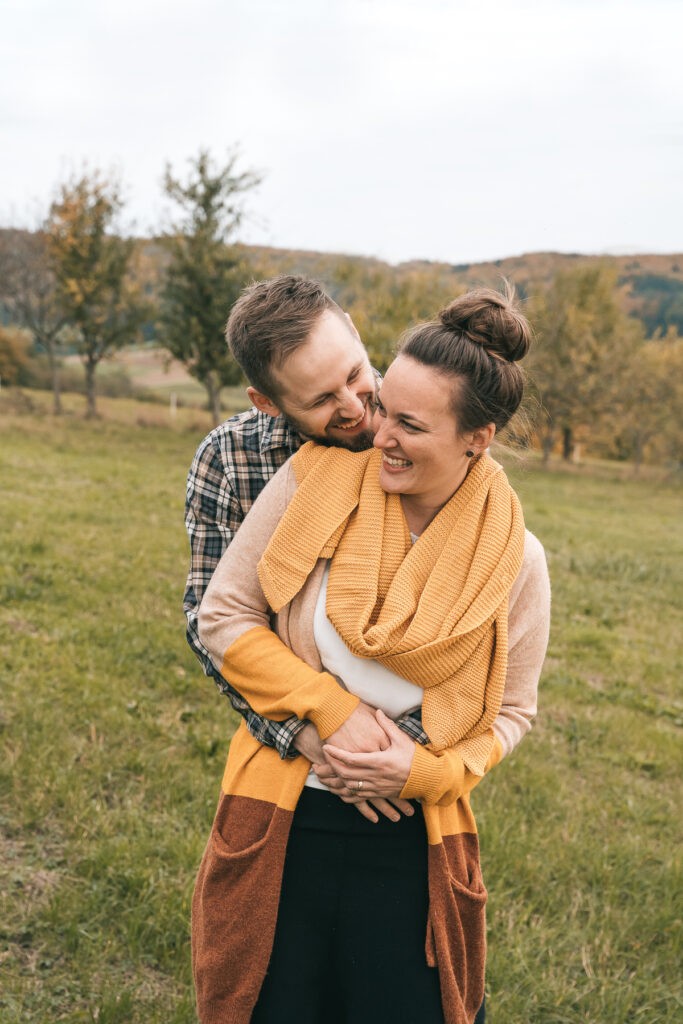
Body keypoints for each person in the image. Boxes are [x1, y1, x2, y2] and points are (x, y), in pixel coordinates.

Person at [193, 285, 551, 1024]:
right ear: (273, 405)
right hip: (286, 811)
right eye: (338, 403)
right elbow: (220, 617)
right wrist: (328, 724)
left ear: (475, 438)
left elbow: (512, 710)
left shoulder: (515, 557)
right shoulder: (305, 479)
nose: (370, 423)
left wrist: (426, 772)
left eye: (387, 403)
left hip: (413, 828)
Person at [184, 275, 431, 824]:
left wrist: (404, 754)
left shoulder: (428, 422)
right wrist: (311, 735)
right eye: (321, 399)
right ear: (266, 402)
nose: (355, 408)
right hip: (289, 744)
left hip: (412, 761)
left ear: (357, 335)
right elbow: (210, 620)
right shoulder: (229, 459)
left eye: (354, 374)